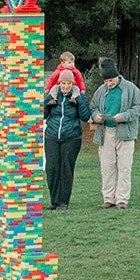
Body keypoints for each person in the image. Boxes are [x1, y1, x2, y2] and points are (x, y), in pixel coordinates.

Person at [89, 59, 140, 210]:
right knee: (107, 167)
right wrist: (96, 116)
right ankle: (108, 198)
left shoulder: (131, 88)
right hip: (106, 132)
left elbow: (139, 107)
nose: (108, 83)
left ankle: (122, 199)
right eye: (106, 81)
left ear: (117, 76)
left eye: (110, 80)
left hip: (125, 133)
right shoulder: (101, 90)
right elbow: (93, 107)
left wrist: (125, 116)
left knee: (124, 166)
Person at [43, 68, 91, 210]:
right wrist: (47, 104)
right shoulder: (52, 94)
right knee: (51, 168)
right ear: (59, 83)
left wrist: (79, 102)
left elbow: (85, 116)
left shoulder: (78, 96)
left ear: (73, 83)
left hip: (71, 137)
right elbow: (43, 115)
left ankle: (63, 201)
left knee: (66, 168)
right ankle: (54, 200)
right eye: (63, 83)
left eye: (69, 83)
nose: (66, 86)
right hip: (52, 135)